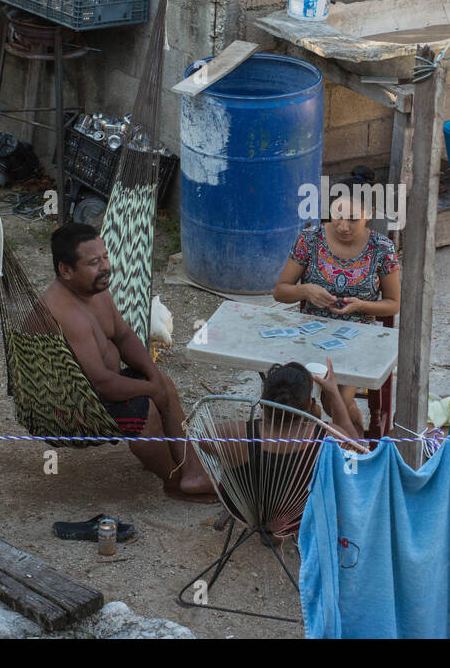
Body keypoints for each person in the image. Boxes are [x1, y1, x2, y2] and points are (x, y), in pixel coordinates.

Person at [40, 223, 214, 502]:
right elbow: (100, 382)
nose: (105, 267)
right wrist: (147, 389)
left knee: (164, 385)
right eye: (94, 262)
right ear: (66, 270)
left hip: (101, 387)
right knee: (145, 411)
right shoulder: (61, 311)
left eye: (106, 257)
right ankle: (173, 484)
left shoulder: (95, 290)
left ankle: (193, 473)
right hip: (71, 407)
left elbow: (123, 335)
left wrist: (152, 374)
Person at [273, 166, 401, 415]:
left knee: (334, 402)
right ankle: (352, 443)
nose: (343, 226)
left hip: (359, 337)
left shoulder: (381, 248)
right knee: (296, 401)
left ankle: (352, 445)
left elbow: (393, 303)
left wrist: (361, 306)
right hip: (311, 334)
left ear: (369, 214)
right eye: (337, 216)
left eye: (353, 219)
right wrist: (306, 291)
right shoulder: (310, 240)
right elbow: (280, 291)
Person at [198, 360, 362, 533]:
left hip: (243, 510)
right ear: (311, 405)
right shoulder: (326, 437)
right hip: (298, 517)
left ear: (261, 401)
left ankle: (268, 523)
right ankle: (278, 526)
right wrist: (334, 394)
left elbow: (202, 441)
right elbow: (358, 455)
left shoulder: (234, 434)